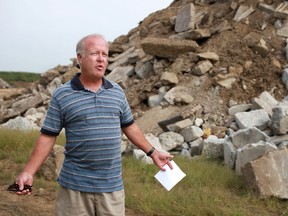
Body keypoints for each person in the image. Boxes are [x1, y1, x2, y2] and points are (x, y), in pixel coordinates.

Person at [14, 33, 173, 216]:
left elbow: (129, 126)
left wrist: (153, 153)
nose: (101, 59)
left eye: (104, 54)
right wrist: (29, 171)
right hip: (74, 189)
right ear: (80, 58)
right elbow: (48, 135)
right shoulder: (62, 95)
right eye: (94, 53)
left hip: (112, 187)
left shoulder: (117, 92)